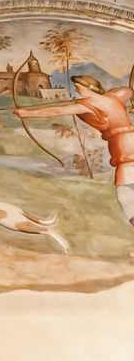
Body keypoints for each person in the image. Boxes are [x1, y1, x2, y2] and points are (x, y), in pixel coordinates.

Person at [16, 75, 134, 256]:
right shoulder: (113, 98)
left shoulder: (86, 104)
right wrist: (102, 96)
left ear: (89, 87)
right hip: (128, 141)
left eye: (79, 87)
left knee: (125, 195)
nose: (77, 90)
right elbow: (128, 90)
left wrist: (27, 113)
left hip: (124, 147)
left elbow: (55, 111)